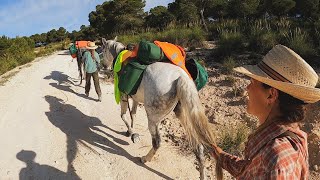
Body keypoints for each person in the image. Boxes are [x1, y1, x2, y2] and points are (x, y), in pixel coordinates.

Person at [212, 44, 320, 179]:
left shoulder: (275, 156)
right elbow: (251, 170)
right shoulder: (285, 137)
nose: (247, 88)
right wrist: (221, 157)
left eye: (252, 82)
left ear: (271, 95)